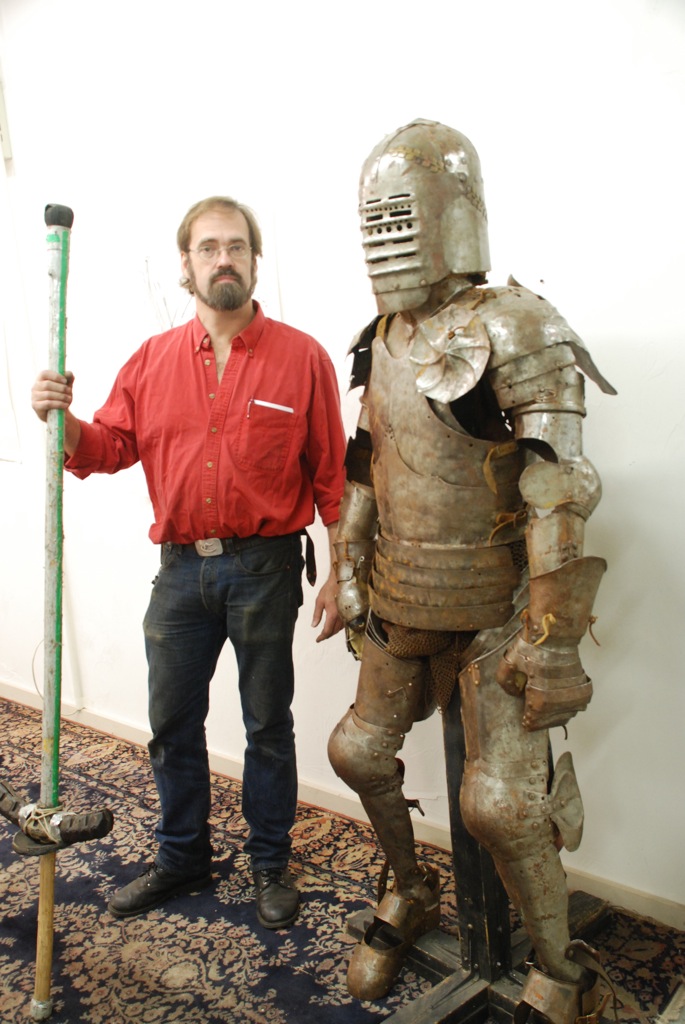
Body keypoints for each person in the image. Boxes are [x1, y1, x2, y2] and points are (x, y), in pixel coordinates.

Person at [327, 121, 616, 1019]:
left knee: (497, 803)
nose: (386, 237)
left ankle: (561, 971)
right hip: (401, 592)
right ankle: (411, 888)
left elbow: (558, 487)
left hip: (496, 607)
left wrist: (552, 642)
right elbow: (367, 463)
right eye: (376, 220)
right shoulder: (380, 336)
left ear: (450, 214)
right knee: (356, 751)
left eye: (400, 216)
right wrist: (346, 562)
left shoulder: (518, 326)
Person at [31, 196, 347, 930]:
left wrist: (342, 572)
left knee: (267, 723)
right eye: (208, 248)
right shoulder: (151, 360)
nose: (223, 259)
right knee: (171, 724)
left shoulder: (302, 358)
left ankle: (270, 863)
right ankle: (182, 857)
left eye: (236, 246)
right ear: (187, 264)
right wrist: (61, 420)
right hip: (178, 573)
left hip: (266, 569)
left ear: (255, 260)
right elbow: (107, 447)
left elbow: (332, 476)